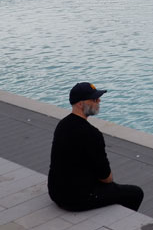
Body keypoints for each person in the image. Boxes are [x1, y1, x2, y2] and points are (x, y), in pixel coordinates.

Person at [48, 83, 144, 213]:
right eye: (94, 99)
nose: (99, 101)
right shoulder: (92, 134)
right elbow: (106, 177)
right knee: (135, 193)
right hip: (76, 199)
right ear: (80, 104)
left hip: (55, 192)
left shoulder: (62, 125)